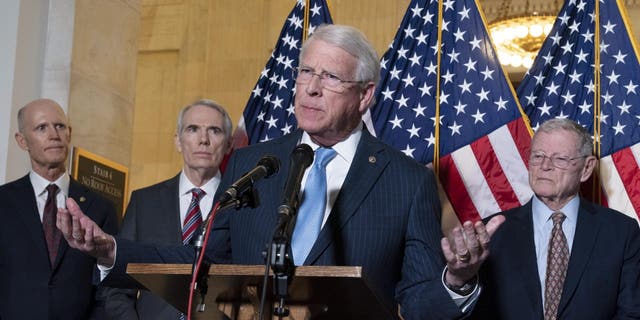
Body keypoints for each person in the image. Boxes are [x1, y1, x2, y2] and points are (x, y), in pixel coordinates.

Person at [58, 25, 503, 319]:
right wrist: (111, 250)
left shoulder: (406, 180)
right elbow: (205, 262)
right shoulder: (255, 163)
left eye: (329, 78)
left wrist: (457, 280)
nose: (309, 88)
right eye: (305, 71)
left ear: (365, 96)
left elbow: (419, 297)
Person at [470, 118, 640, 319]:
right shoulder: (492, 230)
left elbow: (631, 313)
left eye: (559, 159)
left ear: (586, 168)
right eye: (538, 156)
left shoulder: (621, 231)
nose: (544, 166)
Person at [102, 99, 233, 319]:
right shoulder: (144, 202)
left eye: (215, 131)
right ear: (178, 141)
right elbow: (117, 287)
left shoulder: (242, 203)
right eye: (193, 129)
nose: (203, 140)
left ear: (229, 144)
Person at [0, 98, 118, 319]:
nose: (54, 135)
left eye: (60, 126)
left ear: (69, 133)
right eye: (42, 128)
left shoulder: (101, 208)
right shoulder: (3, 202)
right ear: (22, 141)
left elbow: (109, 288)